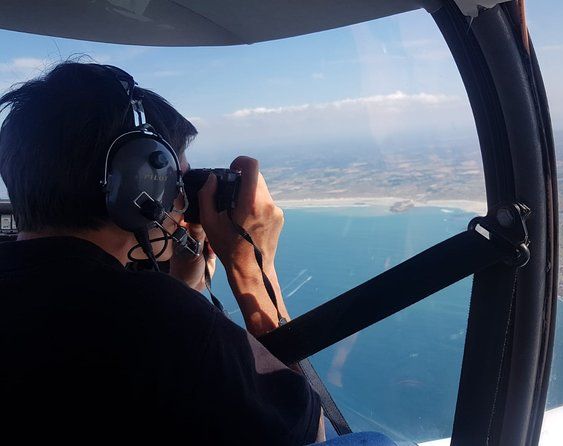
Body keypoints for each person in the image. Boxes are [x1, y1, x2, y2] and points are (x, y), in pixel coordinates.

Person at [0, 61, 398, 446]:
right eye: (177, 181)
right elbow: (310, 433)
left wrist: (184, 284)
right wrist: (250, 271)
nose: (182, 200)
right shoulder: (153, 318)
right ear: (140, 186)